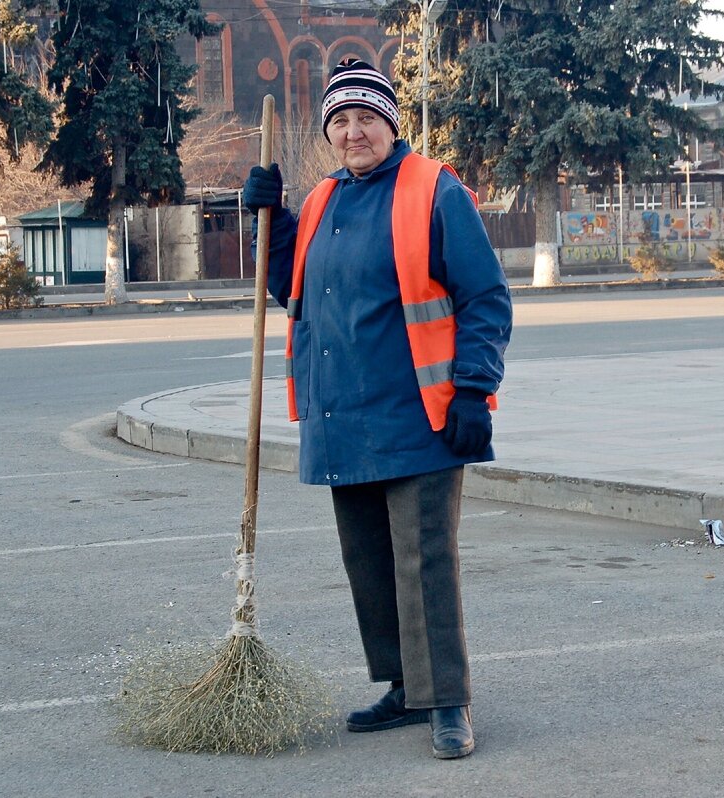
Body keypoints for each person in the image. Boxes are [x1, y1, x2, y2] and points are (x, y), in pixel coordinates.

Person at [242, 57, 512, 760]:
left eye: (367, 118)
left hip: (422, 414)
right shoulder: (326, 201)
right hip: (344, 416)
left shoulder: (434, 190)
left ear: (391, 125)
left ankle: (446, 701)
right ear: (330, 134)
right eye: (342, 121)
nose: (355, 131)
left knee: (424, 562)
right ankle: (402, 687)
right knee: (369, 562)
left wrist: (476, 390)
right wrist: (267, 219)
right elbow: (290, 291)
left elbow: (485, 298)